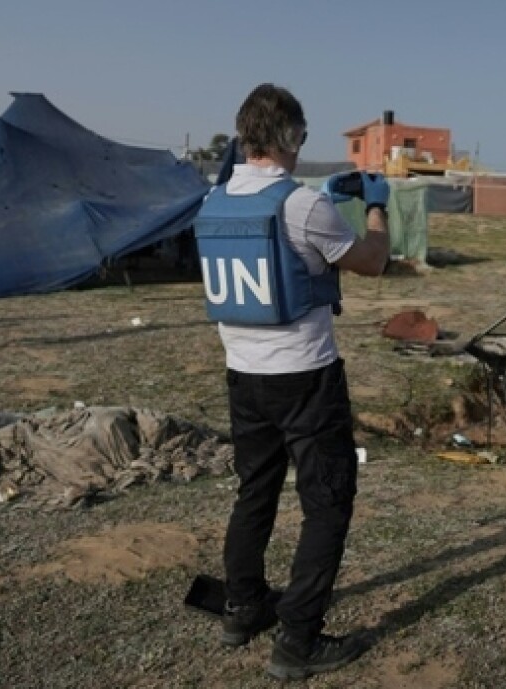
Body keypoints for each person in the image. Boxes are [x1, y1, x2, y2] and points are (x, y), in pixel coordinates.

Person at [201, 84, 391, 682]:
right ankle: (298, 641)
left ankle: (241, 608)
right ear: (289, 138)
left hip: (243, 374)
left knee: (254, 491)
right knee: (327, 503)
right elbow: (373, 260)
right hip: (305, 377)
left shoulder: (215, 198)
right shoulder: (304, 205)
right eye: (303, 138)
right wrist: (376, 205)